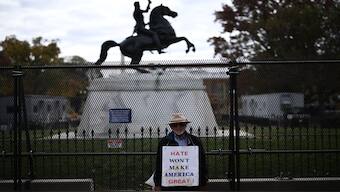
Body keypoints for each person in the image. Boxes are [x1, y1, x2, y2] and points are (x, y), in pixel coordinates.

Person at [153, 113, 208, 191]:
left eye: (181, 124)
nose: (178, 127)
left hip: (190, 185)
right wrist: (157, 184)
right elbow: (159, 164)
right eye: (175, 125)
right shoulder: (164, 142)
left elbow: (202, 162)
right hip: (171, 185)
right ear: (171, 126)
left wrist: (203, 182)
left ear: (185, 125)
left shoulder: (195, 141)